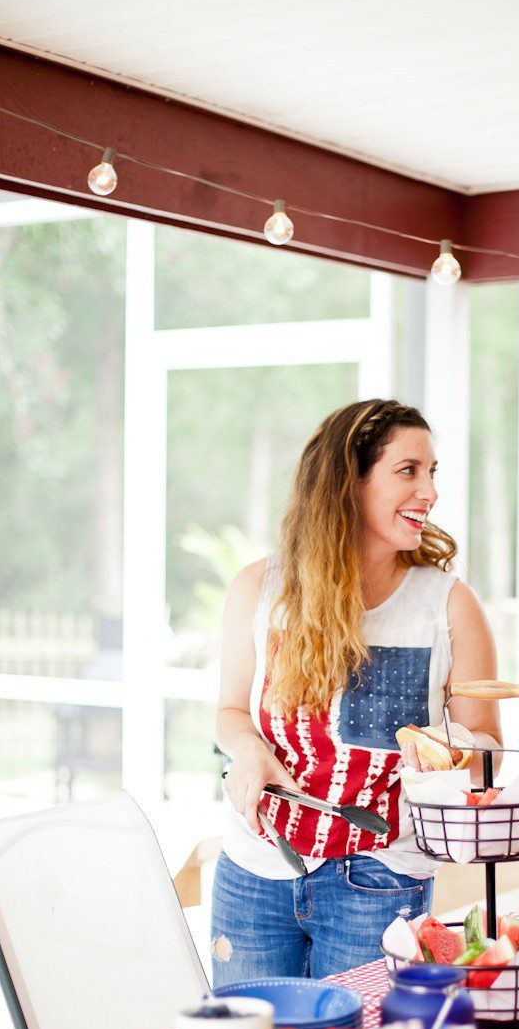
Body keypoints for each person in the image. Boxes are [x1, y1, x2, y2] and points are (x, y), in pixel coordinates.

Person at [212, 398, 502, 983]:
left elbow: (487, 749)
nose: (430, 491)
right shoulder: (259, 591)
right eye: (408, 470)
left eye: (432, 472)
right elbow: (228, 712)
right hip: (253, 873)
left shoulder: (447, 605)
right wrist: (248, 750)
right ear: (349, 482)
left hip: (380, 877)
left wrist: (450, 751)